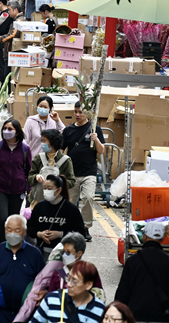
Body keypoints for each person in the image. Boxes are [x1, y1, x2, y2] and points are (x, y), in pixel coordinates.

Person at [116, 220, 169, 323]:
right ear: (162, 238)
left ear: (144, 236)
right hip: (161, 317)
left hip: (135, 316)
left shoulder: (133, 261)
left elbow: (123, 292)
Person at [0, 215, 45, 323]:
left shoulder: (34, 254)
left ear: (25, 231)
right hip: (0, 314)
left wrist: (45, 291)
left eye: (17, 230)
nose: (12, 233)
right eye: (9, 229)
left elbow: (43, 281)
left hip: (27, 313)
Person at [0, 118, 32, 241]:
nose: (6, 131)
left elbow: (29, 172)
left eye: (10, 129)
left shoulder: (25, 149)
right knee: (2, 218)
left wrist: (29, 190)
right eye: (4, 128)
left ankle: (12, 243)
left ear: (17, 132)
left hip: (18, 191)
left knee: (13, 219)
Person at [63, 102, 105, 242]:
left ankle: (85, 227)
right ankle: (70, 227)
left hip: (89, 172)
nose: (77, 114)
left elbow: (101, 150)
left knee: (88, 197)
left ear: (87, 114)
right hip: (72, 173)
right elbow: (62, 151)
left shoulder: (94, 129)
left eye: (80, 112)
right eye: (75, 111)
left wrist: (96, 139)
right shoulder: (68, 130)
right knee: (70, 202)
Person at [28, 175, 86, 260]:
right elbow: (30, 227)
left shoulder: (71, 209)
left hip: (64, 254)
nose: (46, 191)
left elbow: (81, 233)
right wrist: (40, 234)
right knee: (42, 273)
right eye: (44, 188)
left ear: (59, 190)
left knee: (61, 273)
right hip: (41, 252)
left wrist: (60, 234)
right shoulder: (39, 207)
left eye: (49, 188)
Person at [31, 261, 105, 323]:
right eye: (68, 278)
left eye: (74, 281)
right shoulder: (51, 299)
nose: (68, 284)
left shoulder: (101, 311)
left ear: (88, 285)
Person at [28, 129, 75, 203]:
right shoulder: (39, 158)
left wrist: (58, 182)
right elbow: (30, 177)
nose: (42, 143)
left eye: (44, 141)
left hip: (57, 201)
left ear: (53, 142)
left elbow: (71, 181)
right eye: (42, 141)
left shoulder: (65, 160)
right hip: (37, 200)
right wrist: (36, 177)